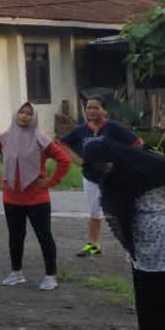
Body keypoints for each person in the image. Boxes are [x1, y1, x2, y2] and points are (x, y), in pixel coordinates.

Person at [82, 142, 165, 330]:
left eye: (105, 164)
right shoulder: (117, 175)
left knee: (156, 296)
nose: (105, 169)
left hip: (160, 237)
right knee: (146, 299)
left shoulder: (151, 167)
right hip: (141, 244)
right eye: (99, 167)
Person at [0, 103, 72, 291]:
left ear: (34, 118)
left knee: (44, 236)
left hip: (37, 198)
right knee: (15, 236)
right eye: (21, 112)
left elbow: (64, 160)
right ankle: (16, 273)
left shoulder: (41, 139)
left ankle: (51, 275)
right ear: (15, 115)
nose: (24, 116)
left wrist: (51, 181)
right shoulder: (5, 137)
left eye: (29, 114)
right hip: (11, 197)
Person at [61, 96, 144, 258]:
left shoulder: (113, 128)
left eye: (96, 107)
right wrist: (78, 160)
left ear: (104, 110)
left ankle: (132, 246)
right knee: (94, 212)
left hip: (114, 177)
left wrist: (120, 162)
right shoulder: (81, 130)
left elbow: (137, 143)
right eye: (89, 108)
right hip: (91, 177)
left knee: (121, 211)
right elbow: (62, 143)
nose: (91, 111)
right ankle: (93, 244)